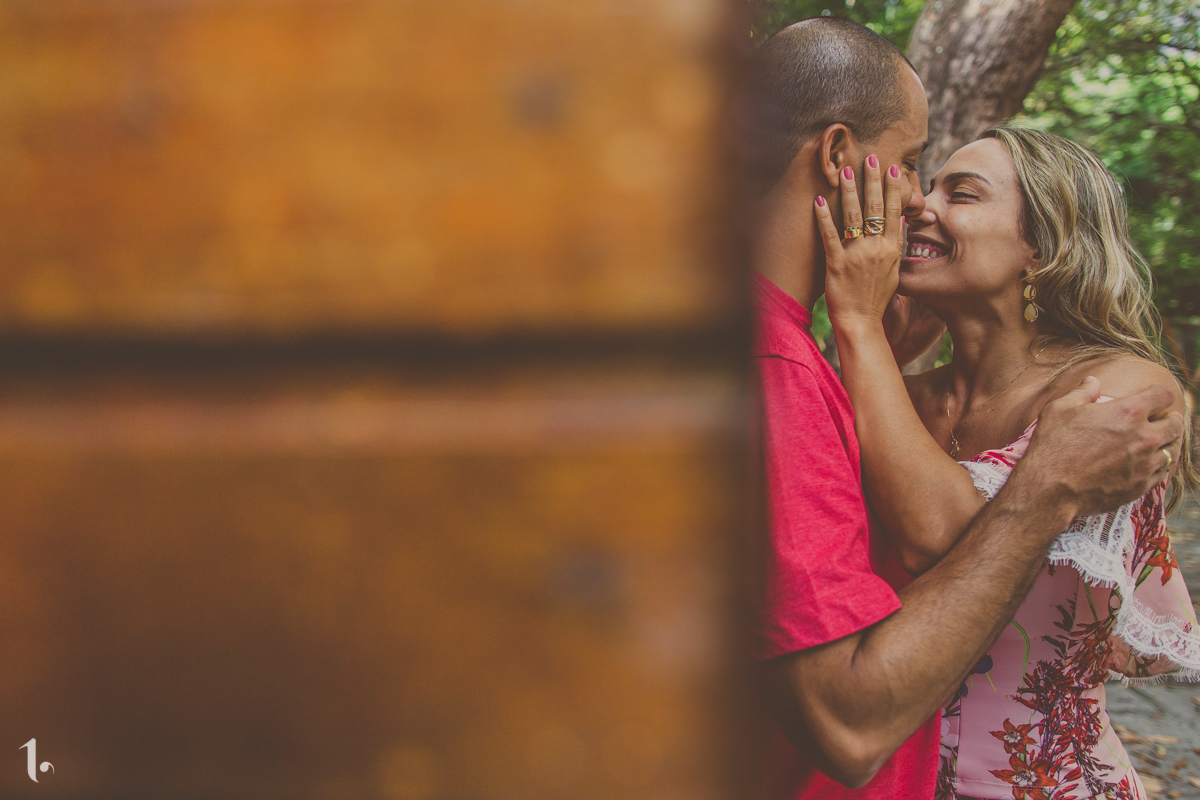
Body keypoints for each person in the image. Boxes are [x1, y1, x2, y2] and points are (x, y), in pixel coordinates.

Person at [744, 17, 1186, 800]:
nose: (916, 202)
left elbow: (933, 534)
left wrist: (862, 335)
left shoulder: (1116, 388)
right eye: (919, 167)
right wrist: (866, 337)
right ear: (839, 157)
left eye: (960, 189)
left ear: (1043, 250)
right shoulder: (871, 386)